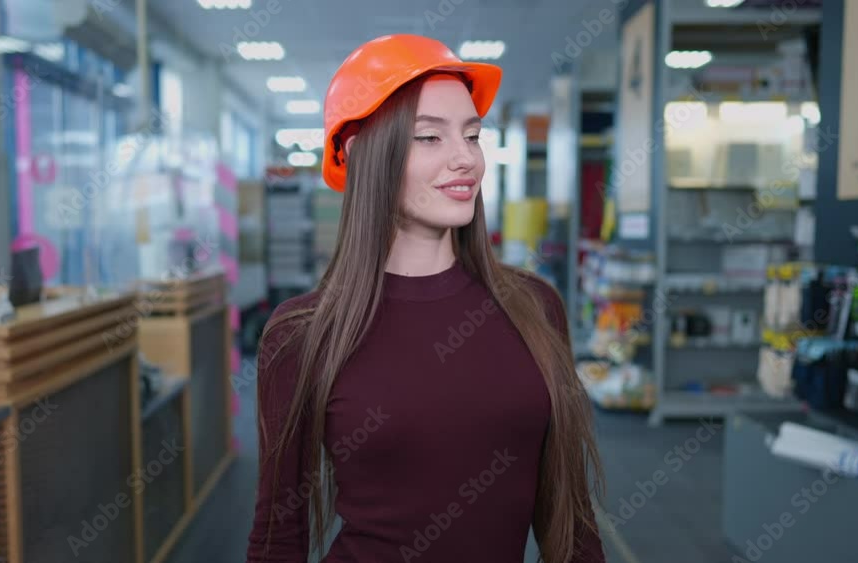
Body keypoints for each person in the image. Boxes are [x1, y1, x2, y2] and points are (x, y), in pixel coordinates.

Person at [247, 34, 605, 563]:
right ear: (360, 153)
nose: (465, 159)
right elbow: (278, 536)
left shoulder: (534, 307)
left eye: (473, 135)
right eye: (429, 138)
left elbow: (570, 521)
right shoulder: (302, 332)